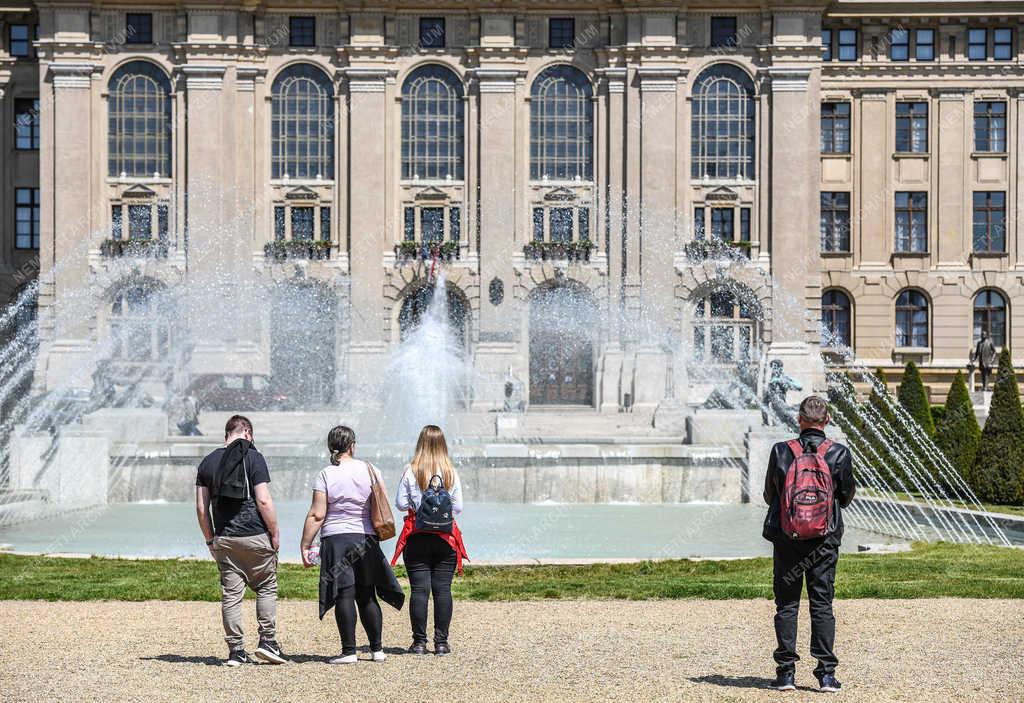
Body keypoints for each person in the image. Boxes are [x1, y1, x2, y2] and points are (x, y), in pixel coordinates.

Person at [762, 396, 855, 693]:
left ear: (799, 420)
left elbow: (769, 495)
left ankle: (786, 673)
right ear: (826, 421)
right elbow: (846, 497)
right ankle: (826, 675)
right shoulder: (838, 453)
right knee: (822, 604)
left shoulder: (781, 451)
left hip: (788, 540)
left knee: (787, 603)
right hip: (824, 542)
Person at [300, 425, 405, 664]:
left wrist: (305, 544)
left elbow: (317, 514)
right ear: (352, 445)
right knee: (367, 594)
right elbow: (382, 503)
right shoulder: (370, 470)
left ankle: (349, 652)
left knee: (344, 594)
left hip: (336, 540)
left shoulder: (326, 474)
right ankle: (377, 650)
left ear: (331, 447)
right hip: (365, 539)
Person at [195, 415, 284, 666]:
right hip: (255, 534)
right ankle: (268, 642)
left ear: (227, 434)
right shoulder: (254, 457)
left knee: (231, 596)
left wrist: (210, 540)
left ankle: (236, 651)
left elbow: (202, 509)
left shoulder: (207, 462)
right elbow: (263, 500)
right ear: (247, 432)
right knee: (266, 586)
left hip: (225, 538)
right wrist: (275, 532)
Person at [391, 425, 469, 656]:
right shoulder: (450, 472)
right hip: (445, 538)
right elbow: (459, 507)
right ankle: (442, 643)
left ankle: (419, 643)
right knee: (443, 590)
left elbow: (400, 504)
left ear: (420, 444)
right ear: (443, 444)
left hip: (417, 537)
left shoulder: (411, 470)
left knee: (420, 590)